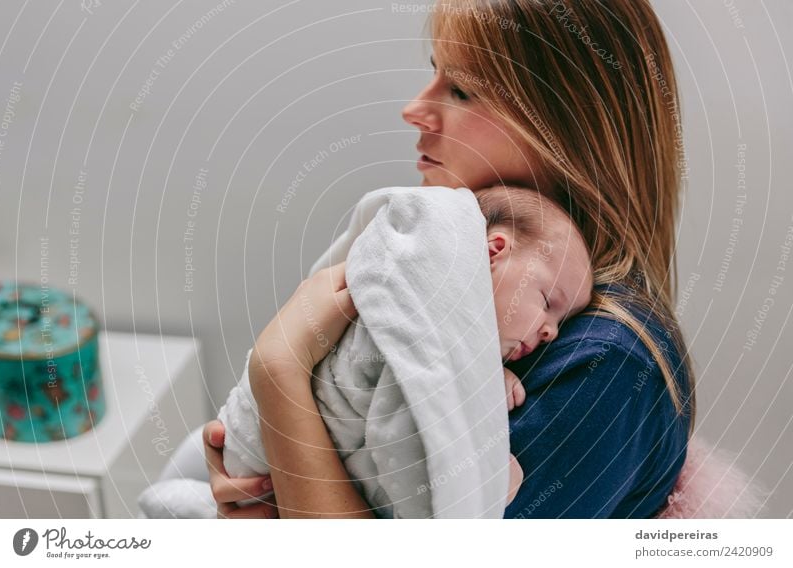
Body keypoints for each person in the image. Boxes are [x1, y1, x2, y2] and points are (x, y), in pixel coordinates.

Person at [204, 0, 695, 519]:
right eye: (434, 73)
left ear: (566, 126)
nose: (415, 108)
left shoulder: (604, 369)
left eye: (461, 90)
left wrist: (278, 376)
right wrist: (264, 469)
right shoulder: (460, 278)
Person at [209, 184, 592, 517]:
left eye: (561, 323)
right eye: (547, 301)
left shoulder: (457, 334)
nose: (550, 332)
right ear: (495, 251)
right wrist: (483, 482)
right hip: (258, 467)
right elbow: (406, 452)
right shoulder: (410, 318)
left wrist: (486, 378)